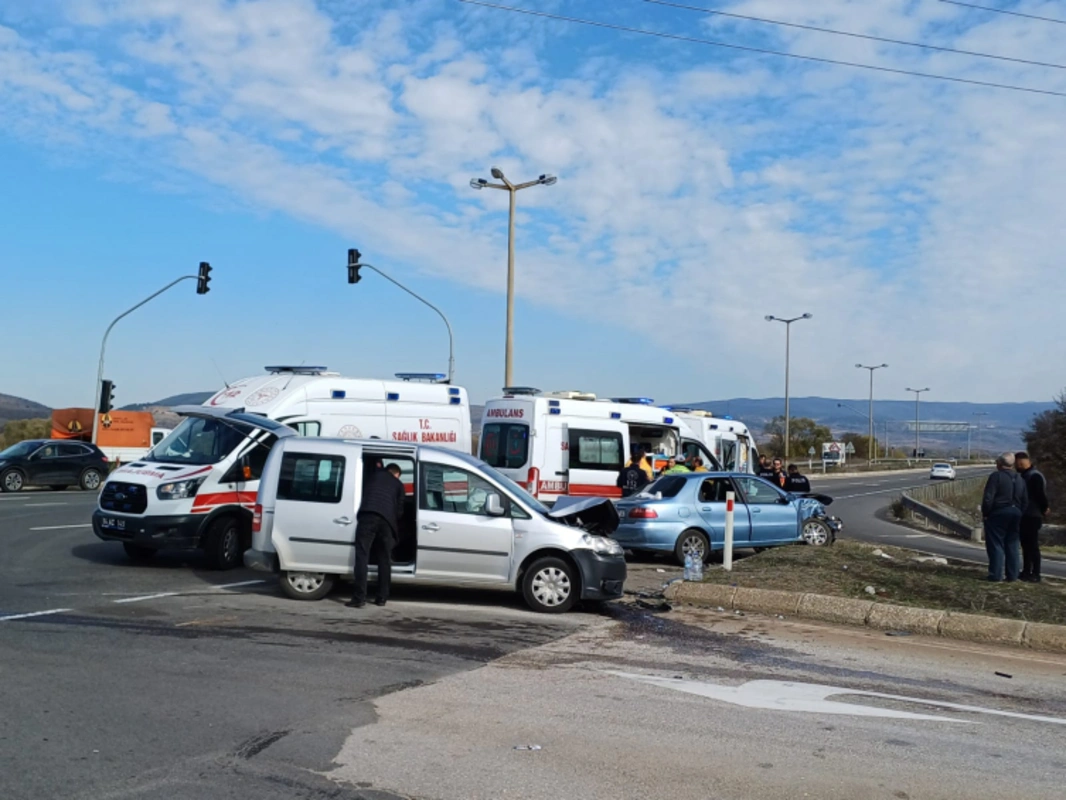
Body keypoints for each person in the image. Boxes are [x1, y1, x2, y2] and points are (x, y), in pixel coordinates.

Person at [348, 462, 405, 608]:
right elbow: (399, 512)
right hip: (387, 521)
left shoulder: (373, 477)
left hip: (368, 515)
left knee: (362, 556)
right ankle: (381, 598)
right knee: (384, 559)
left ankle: (359, 598)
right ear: (396, 474)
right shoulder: (399, 485)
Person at [980, 453, 1028, 583]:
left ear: (999, 464)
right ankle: (1012, 575)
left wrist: (986, 513)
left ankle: (996, 574)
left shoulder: (996, 477)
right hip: (1016, 513)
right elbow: (1025, 500)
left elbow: (988, 497)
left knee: (996, 544)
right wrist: (1020, 512)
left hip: (998, 512)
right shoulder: (1020, 479)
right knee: (1012, 544)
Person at [1016, 451, 1050, 583]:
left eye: (1017, 464)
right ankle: (1026, 571)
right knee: (1026, 545)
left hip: (1032, 515)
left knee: (1032, 546)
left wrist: (1044, 508)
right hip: (1027, 514)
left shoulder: (1034, 476)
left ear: (1021, 462)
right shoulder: (1027, 475)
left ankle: (1035, 573)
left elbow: (1039, 495)